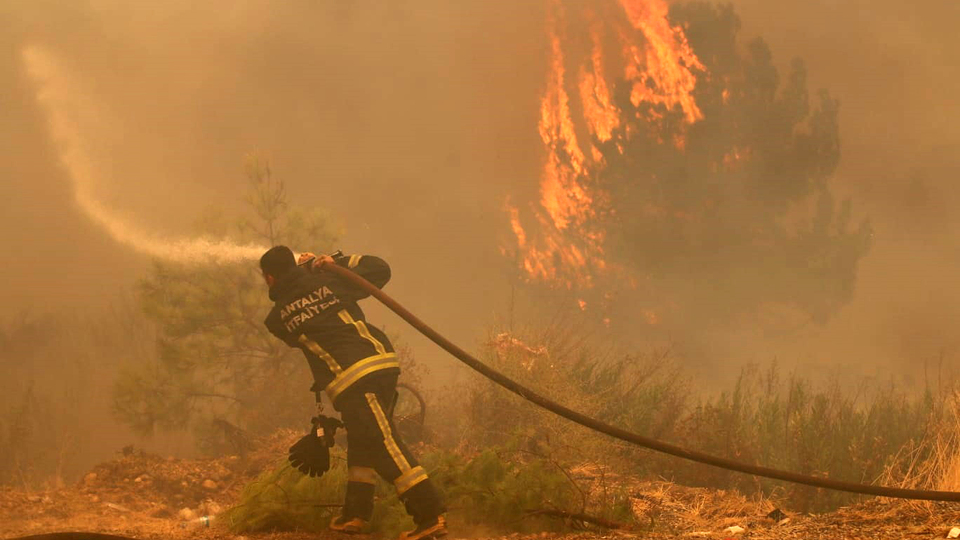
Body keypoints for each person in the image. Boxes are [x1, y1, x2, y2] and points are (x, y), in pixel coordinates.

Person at [259, 245, 446, 540]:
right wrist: (335, 263)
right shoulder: (331, 280)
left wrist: (307, 276)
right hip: (380, 364)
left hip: (353, 380)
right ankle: (355, 515)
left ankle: (430, 517)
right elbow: (380, 268)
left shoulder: (276, 319)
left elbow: (297, 333)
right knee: (363, 440)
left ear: (270, 279)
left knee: (384, 443)